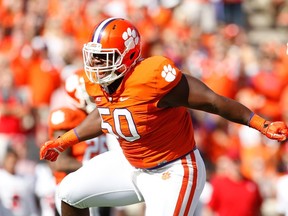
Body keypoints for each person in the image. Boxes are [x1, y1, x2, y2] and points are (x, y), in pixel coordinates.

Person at [39, 17, 288, 216]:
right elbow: (105, 115)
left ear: (127, 56)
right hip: (130, 163)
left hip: (174, 170)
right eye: (94, 56)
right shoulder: (100, 83)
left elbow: (213, 102)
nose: (95, 63)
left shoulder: (153, 77)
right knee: (67, 194)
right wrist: (64, 141)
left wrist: (261, 124)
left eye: (104, 57)